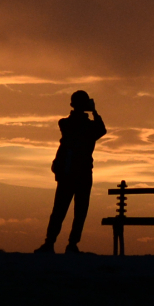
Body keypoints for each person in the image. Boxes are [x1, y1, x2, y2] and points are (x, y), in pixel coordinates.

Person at [37, 90, 106, 254]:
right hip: (77, 172)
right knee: (73, 211)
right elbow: (101, 130)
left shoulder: (67, 123)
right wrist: (94, 111)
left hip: (71, 172)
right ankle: (64, 244)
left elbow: (100, 130)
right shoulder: (74, 125)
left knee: (65, 210)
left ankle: (55, 243)